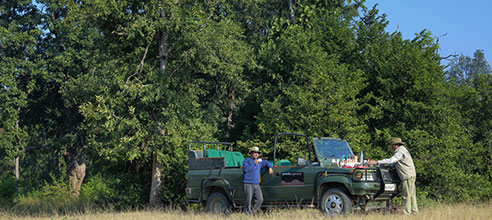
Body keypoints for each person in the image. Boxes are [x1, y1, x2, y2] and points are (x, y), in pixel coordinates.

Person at [368, 137, 418, 215]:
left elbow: (392, 160)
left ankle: (407, 213)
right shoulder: (403, 150)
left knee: (406, 195)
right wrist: (390, 167)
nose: (391, 147)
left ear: (395, 145)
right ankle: (414, 212)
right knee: (412, 194)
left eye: (392, 145)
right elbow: (396, 162)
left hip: (406, 175)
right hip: (410, 175)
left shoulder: (400, 152)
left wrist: (377, 162)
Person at [242, 146, 273, 215]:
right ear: (251, 153)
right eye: (254, 153)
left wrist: (270, 167)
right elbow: (245, 169)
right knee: (248, 200)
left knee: (260, 199)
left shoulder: (260, 161)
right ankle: (248, 214)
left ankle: (252, 213)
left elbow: (267, 162)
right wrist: (254, 163)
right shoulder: (247, 160)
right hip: (248, 183)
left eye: (257, 153)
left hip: (256, 184)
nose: (256, 154)